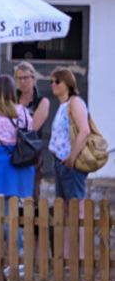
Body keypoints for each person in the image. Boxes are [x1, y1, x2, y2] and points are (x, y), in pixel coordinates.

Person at [48, 67, 90, 202]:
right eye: (51, 82)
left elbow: (84, 131)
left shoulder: (75, 103)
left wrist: (72, 157)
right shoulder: (62, 106)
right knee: (64, 208)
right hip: (59, 161)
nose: (53, 84)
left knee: (75, 205)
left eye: (57, 81)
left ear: (68, 83)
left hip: (70, 163)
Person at [14, 61, 49, 200]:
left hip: (31, 154)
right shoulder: (12, 99)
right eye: (19, 78)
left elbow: (32, 128)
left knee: (30, 196)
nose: (22, 82)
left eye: (26, 77)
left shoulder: (41, 101)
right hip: (12, 151)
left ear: (33, 79)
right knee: (13, 196)